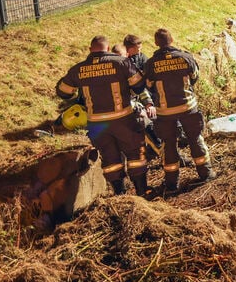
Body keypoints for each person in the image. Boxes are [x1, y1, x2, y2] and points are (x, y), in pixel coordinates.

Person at [56, 35, 154, 197]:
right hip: (123, 120)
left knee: (110, 158)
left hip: (97, 125)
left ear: (90, 49)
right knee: (135, 154)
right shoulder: (122, 63)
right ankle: (142, 191)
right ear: (108, 49)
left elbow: (63, 92)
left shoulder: (78, 69)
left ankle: (119, 193)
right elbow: (139, 85)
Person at [143, 28, 213, 193]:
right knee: (195, 139)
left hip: (165, 112)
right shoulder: (186, 57)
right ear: (172, 40)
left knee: (169, 145)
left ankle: (171, 184)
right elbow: (195, 77)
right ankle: (206, 174)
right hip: (188, 107)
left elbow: (148, 86)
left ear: (156, 43)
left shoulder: (151, 64)